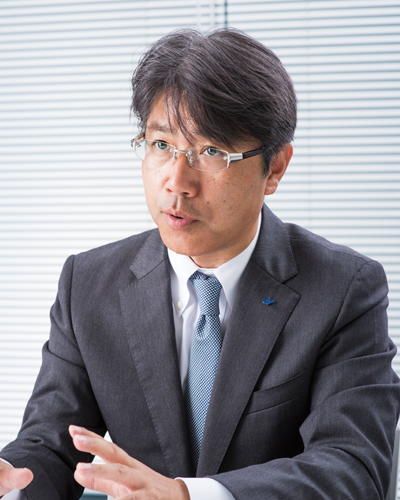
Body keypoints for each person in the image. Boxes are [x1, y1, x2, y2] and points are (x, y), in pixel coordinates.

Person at [0, 28, 399, 500]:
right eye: (161, 145)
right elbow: (49, 448)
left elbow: (353, 468)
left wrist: (189, 494)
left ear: (275, 167)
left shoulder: (343, 288)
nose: (177, 181)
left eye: (211, 152)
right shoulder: (87, 284)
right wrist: (11, 480)